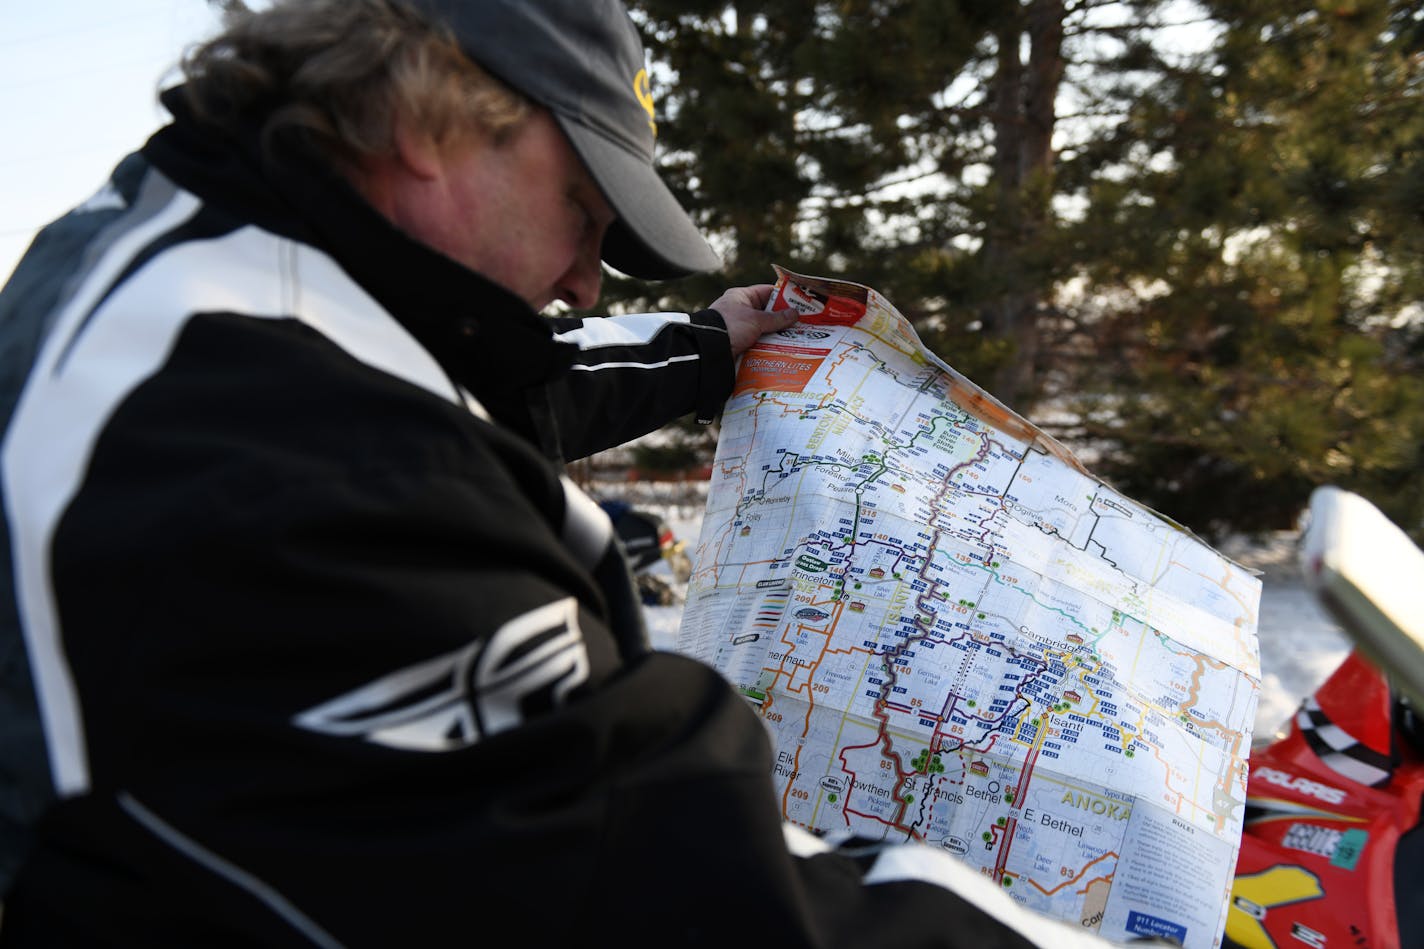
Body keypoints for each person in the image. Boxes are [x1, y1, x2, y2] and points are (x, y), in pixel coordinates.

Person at [0, 1, 1130, 946]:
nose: (585, 282)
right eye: (585, 213)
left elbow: (500, 370)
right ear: (428, 118)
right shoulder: (281, 457)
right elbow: (663, 879)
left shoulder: (218, 258)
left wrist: (704, 347)